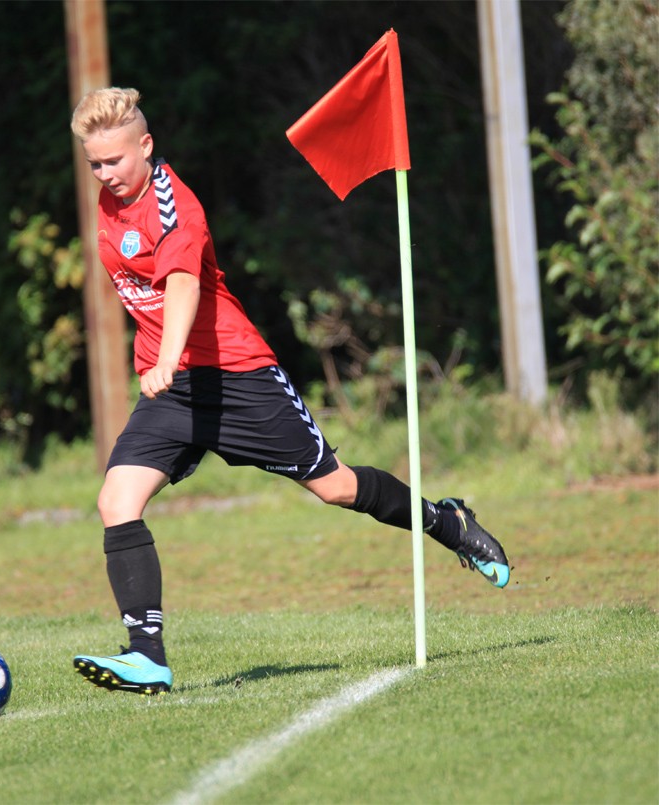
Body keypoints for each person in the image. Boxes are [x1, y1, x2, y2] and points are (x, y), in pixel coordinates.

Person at [69, 87, 509, 696]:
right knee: (117, 501)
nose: (105, 174)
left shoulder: (175, 205)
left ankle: (447, 522)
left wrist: (167, 358)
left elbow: (182, 284)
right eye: (94, 164)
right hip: (172, 391)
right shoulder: (109, 201)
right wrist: (162, 365)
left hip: (236, 375)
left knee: (336, 487)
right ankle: (147, 658)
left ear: (145, 146)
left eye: (114, 160)